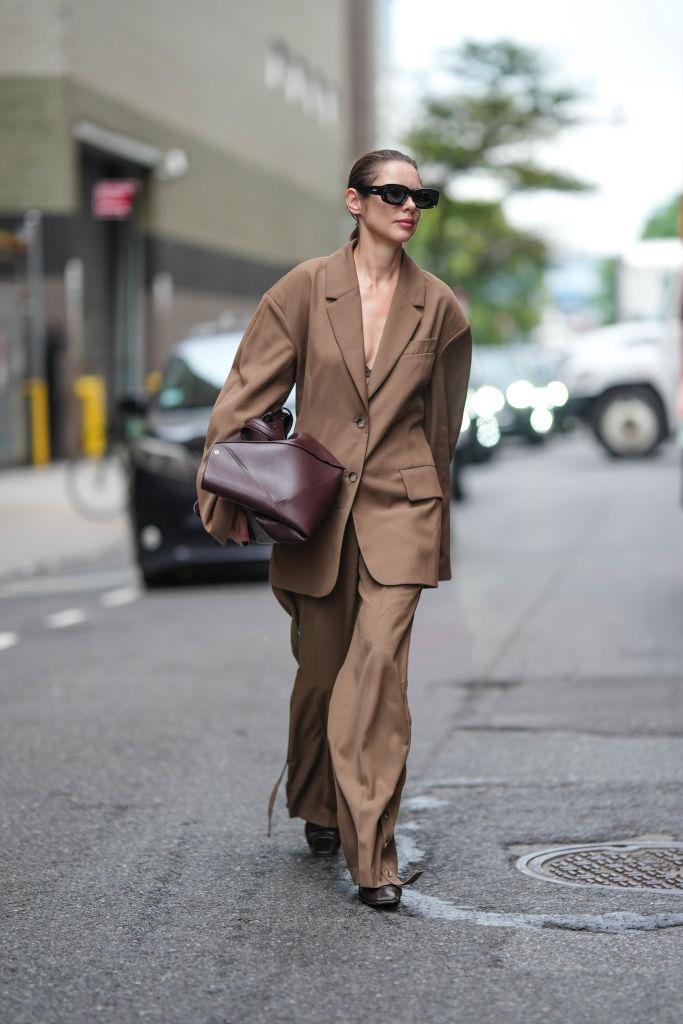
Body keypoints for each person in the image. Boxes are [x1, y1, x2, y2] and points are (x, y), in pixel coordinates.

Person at [195, 148, 473, 910]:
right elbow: (248, 388)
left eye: (421, 197)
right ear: (354, 201)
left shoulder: (441, 307)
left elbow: (441, 427)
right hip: (312, 512)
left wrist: (435, 517)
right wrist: (217, 489)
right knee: (321, 672)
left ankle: (371, 850)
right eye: (392, 193)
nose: (408, 206)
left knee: (375, 674)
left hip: (400, 511)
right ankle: (319, 802)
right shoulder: (302, 290)